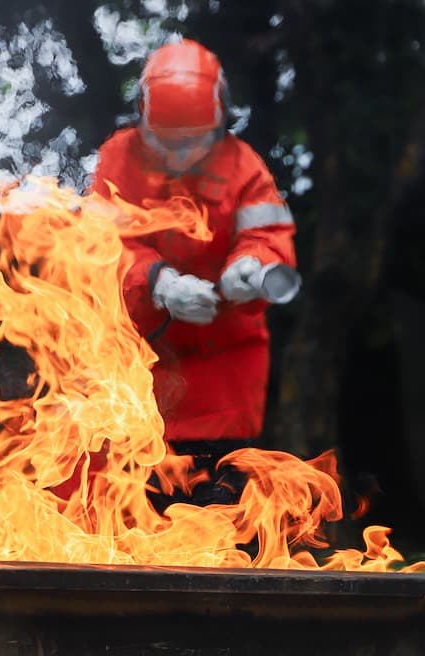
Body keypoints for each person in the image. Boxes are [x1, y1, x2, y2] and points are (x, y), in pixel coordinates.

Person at [90, 38, 300, 507]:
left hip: (224, 381)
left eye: (191, 142)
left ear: (219, 121)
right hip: (141, 376)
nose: (178, 155)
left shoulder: (244, 165)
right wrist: (158, 283)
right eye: (166, 141)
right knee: (128, 524)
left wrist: (249, 269)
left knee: (219, 526)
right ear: (144, 120)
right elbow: (102, 250)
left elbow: (269, 240)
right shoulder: (118, 160)